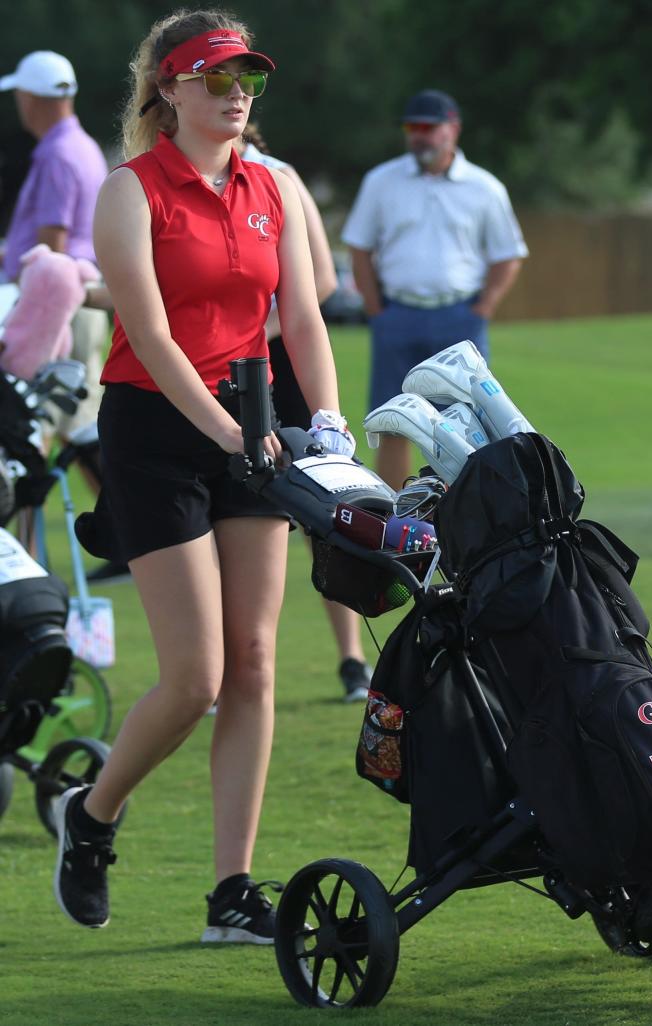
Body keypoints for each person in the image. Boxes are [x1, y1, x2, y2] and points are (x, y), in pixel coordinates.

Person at [51, 9, 355, 943]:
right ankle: (91, 815)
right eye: (216, 79)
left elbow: (302, 318)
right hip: (155, 426)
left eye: (247, 81)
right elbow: (144, 331)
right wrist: (232, 432)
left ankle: (233, 896)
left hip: (254, 422)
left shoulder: (271, 186)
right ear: (170, 89)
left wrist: (329, 425)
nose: (235, 96)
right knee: (195, 677)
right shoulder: (129, 192)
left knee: (256, 663)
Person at [241, 126, 373, 702]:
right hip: (222, 368)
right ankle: (234, 663)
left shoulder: (278, 177)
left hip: (283, 359)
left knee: (322, 510)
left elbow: (320, 280)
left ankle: (351, 658)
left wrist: (252, 335)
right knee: (236, 512)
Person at [342, 89, 528, 490]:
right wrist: (376, 309)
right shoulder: (382, 181)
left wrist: (484, 307)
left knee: (469, 423)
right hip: (397, 314)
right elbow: (359, 246)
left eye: (429, 127)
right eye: (413, 128)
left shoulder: (484, 187)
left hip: (459, 317)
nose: (420, 136)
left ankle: (466, 514)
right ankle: (399, 516)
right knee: (391, 420)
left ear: (453, 129)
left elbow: (508, 254)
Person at [0, 50, 124, 580]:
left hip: (57, 300)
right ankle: (122, 534)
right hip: (82, 295)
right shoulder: (82, 146)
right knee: (77, 419)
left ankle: (24, 552)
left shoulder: (55, 154)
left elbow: (50, 244)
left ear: (33, 98)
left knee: (29, 423)